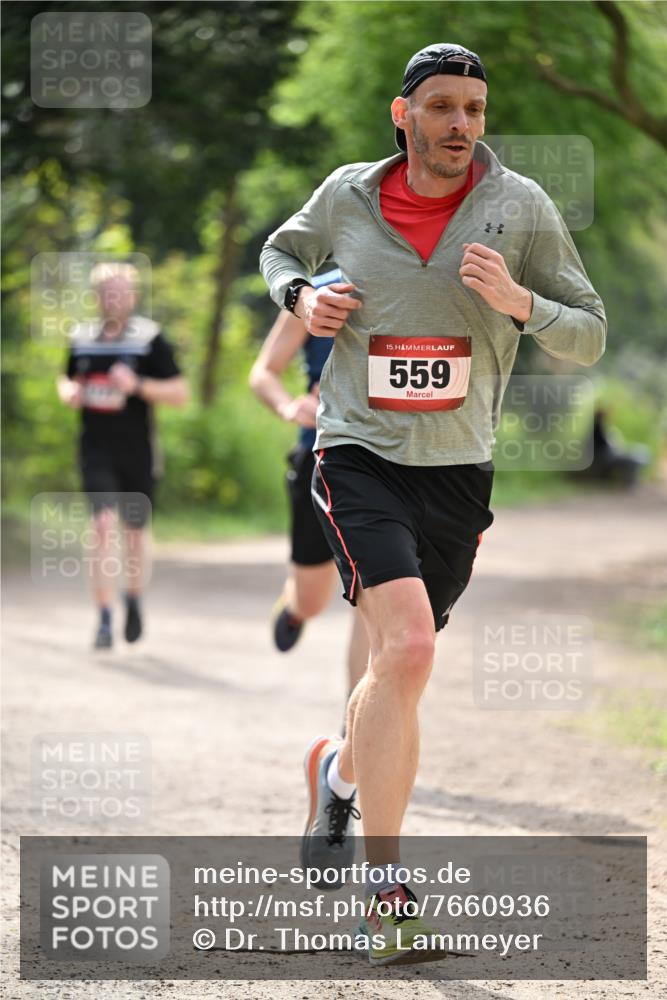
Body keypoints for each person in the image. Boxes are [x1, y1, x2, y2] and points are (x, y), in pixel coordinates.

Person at [260, 42, 606, 965]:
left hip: (458, 469)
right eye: (443, 107)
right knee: (404, 647)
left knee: (403, 667)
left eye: (475, 109)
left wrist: (520, 301)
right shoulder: (346, 194)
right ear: (402, 113)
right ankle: (388, 891)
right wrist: (302, 293)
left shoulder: (519, 206)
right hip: (357, 450)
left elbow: (588, 334)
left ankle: (333, 773)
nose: (461, 124)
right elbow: (281, 251)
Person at [248, 286, 369, 714]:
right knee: (314, 599)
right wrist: (287, 407)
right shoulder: (319, 292)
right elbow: (264, 371)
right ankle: (296, 606)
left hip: (393, 465)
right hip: (322, 459)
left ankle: (357, 731)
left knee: (375, 603)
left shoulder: (422, 279)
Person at [57, 262, 188, 649]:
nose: (115, 298)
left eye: (122, 291)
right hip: (94, 449)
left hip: (138, 452)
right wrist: (67, 390)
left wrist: (138, 385)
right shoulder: (81, 338)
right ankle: (102, 617)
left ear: (132, 296)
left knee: (134, 535)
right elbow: (66, 376)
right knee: (100, 527)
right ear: (97, 297)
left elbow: (180, 394)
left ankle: (132, 598)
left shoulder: (150, 339)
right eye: (107, 291)